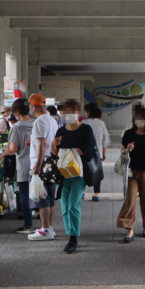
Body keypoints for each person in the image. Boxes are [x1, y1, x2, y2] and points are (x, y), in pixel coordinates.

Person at [51, 100, 96, 253]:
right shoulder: (61, 131)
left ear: (78, 113)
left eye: (71, 111)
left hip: (79, 174)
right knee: (64, 206)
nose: (67, 115)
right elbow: (55, 154)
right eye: (64, 112)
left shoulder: (86, 129)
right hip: (63, 175)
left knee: (73, 205)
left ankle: (73, 238)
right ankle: (70, 232)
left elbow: (89, 150)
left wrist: (69, 151)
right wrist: (53, 145)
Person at [117, 105, 145, 243]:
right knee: (130, 199)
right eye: (137, 117)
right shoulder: (129, 133)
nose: (139, 120)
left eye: (142, 117)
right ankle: (129, 229)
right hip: (131, 171)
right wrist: (127, 149)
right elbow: (122, 151)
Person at [0, 99, 35, 234]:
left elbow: (12, 149)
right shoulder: (36, 123)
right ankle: (45, 225)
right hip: (37, 163)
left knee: (24, 195)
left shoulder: (17, 127)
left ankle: (28, 225)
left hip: (24, 165)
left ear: (17, 112)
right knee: (39, 193)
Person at [27, 94, 59, 242]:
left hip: (42, 163)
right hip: (51, 162)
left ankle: (45, 229)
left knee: (41, 197)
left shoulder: (39, 121)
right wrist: (31, 140)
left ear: (33, 106)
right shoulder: (52, 119)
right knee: (50, 197)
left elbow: (42, 144)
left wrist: (37, 166)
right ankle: (50, 228)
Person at [82, 103, 111, 201]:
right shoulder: (101, 123)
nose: (85, 113)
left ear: (89, 111)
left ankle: (82, 192)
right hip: (97, 152)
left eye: (86, 111)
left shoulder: (84, 122)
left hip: (84, 152)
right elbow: (105, 139)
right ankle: (96, 195)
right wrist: (104, 153)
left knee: (83, 171)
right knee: (97, 171)